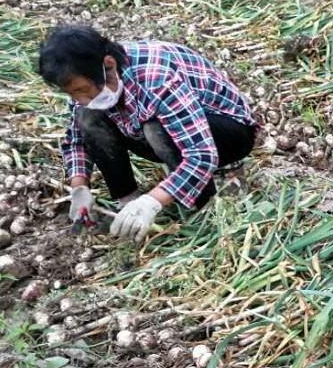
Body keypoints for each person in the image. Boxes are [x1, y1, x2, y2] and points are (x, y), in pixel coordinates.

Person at [37, 25, 257, 242]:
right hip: (173, 132)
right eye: (73, 94)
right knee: (87, 116)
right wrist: (79, 187)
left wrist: (152, 201)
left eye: (83, 90)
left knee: (155, 128)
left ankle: (205, 205)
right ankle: (127, 202)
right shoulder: (89, 76)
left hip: (227, 134)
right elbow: (76, 139)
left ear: (109, 65)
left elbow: (202, 155)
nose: (80, 99)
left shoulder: (158, 79)